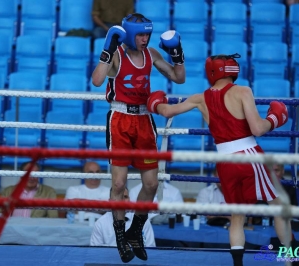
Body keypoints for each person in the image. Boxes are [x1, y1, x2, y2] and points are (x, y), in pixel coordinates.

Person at [147, 53, 299, 266]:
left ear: (211, 72)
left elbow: (166, 111)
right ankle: (291, 261)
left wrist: (156, 103)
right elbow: (258, 128)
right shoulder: (242, 91)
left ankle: (237, 264)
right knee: (278, 206)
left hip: (224, 162)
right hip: (248, 155)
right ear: (233, 71)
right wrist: (275, 118)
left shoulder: (200, 98)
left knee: (237, 216)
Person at [91, 12, 185, 263]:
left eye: (147, 34)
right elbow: (97, 81)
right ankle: (120, 237)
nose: (145, 38)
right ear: (131, 34)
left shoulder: (151, 54)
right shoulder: (117, 55)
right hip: (120, 118)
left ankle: (135, 232)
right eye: (141, 34)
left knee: (152, 184)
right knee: (119, 184)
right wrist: (107, 49)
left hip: (144, 119)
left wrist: (177, 53)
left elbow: (179, 77)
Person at [90, 187, 156, 247]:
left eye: (125, 197)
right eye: (118, 197)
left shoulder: (142, 220)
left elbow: (151, 249)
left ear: (129, 200)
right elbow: (95, 253)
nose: (122, 200)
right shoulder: (100, 223)